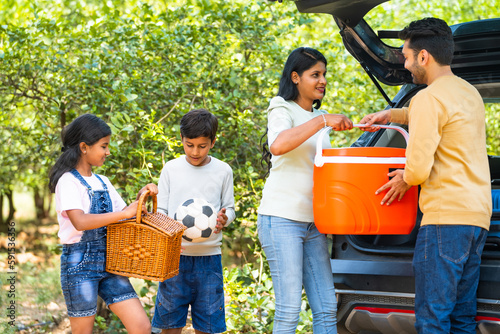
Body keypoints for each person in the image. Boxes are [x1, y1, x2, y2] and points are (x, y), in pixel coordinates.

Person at [359, 18, 492, 334]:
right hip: (476, 220)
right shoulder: (467, 92)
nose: (405, 64)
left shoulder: (429, 99)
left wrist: (404, 177)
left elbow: (417, 169)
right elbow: (436, 114)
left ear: (423, 57)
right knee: (462, 319)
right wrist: (394, 114)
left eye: (406, 56)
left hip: (445, 221)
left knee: (433, 320)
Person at [258, 47, 353, 333]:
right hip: (281, 219)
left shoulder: (320, 116)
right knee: (289, 311)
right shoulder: (281, 107)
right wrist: (323, 121)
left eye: (324, 74)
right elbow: (278, 145)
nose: (322, 80)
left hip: (314, 223)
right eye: (315, 74)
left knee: (326, 308)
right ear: (296, 77)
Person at [48, 113, 156, 334]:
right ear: (84, 147)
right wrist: (123, 213)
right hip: (79, 265)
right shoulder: (67, 181)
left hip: (110, 263)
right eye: (104, 146)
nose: (108, 152)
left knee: (142, 327)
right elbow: (80, 221)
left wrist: (143, 195)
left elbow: (127, 215)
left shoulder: (102, 181)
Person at [152, 108, 236, 334]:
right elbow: (160, 209)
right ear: (181, 140)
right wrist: (167, 232)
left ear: (213, 142)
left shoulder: (223, 171)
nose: (195, 152)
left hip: (209, 261)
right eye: (189, 145)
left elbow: (230, 208)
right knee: (169, 323)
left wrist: (224, 218)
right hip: (174, 259)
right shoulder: (171, 169)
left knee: (208, 325)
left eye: (202, 146)